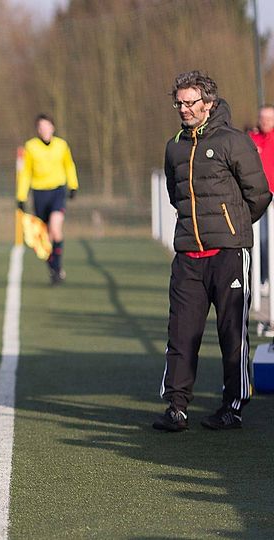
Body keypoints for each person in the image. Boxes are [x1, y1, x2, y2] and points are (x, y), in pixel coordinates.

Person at [155, 71, 271, 432]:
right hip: (188, 256)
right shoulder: (174, 145)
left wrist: (231, 226)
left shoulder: (233, 141)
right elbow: (177, 194)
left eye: (191, 103)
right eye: (179, 103)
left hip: (229, 253)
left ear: (207, 103)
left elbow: (259, 194)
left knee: (232, 332)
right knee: (181, 333)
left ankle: (232, 405)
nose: (184, 109)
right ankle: (176, 406)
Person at [16, 114, 79, 284]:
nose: (44, 130)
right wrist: (21, 196)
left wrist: (73, 185)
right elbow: (26, 172)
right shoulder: (31, 147)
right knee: (45, 236)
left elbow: (69, 165)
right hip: (39, 193)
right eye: (40, 127)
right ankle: (54, 269)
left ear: (53, 127)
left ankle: (57, 268)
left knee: (55, 228)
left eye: (46, 126)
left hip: (57, 191)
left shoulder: (61, 146)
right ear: (37, 130)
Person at [248, 105, 274, 287]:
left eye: (269, 118)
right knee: (261, 240)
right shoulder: (250, 140)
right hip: (259, 198)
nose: (265, 122)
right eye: (262, 118)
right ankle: (262, 278)